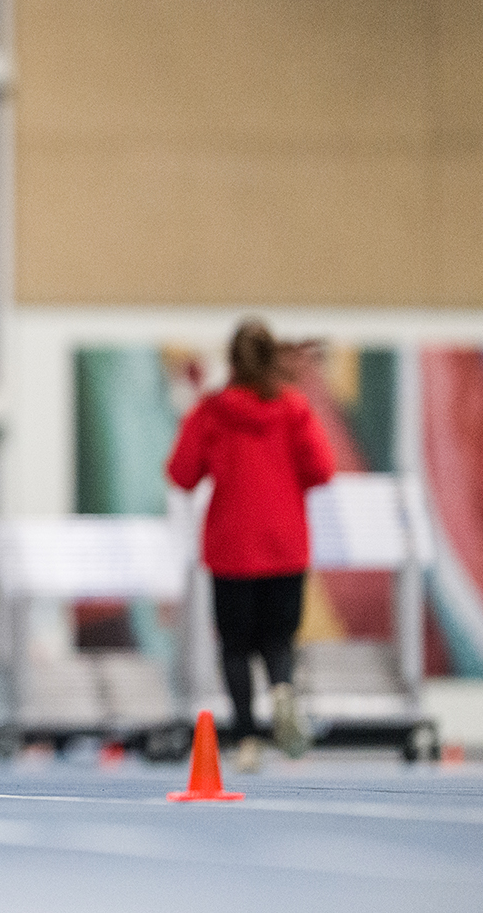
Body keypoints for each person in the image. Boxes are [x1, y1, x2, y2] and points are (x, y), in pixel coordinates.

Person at [167, 319, 335, 772]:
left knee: (235, 647)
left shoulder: (212, 411)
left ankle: (246, 739)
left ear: (232, 361)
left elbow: (181, 474)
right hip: (285, 544)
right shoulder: (293, 409)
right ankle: (281, 688)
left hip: (232, 547)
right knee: (279, 640)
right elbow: (321, 469)